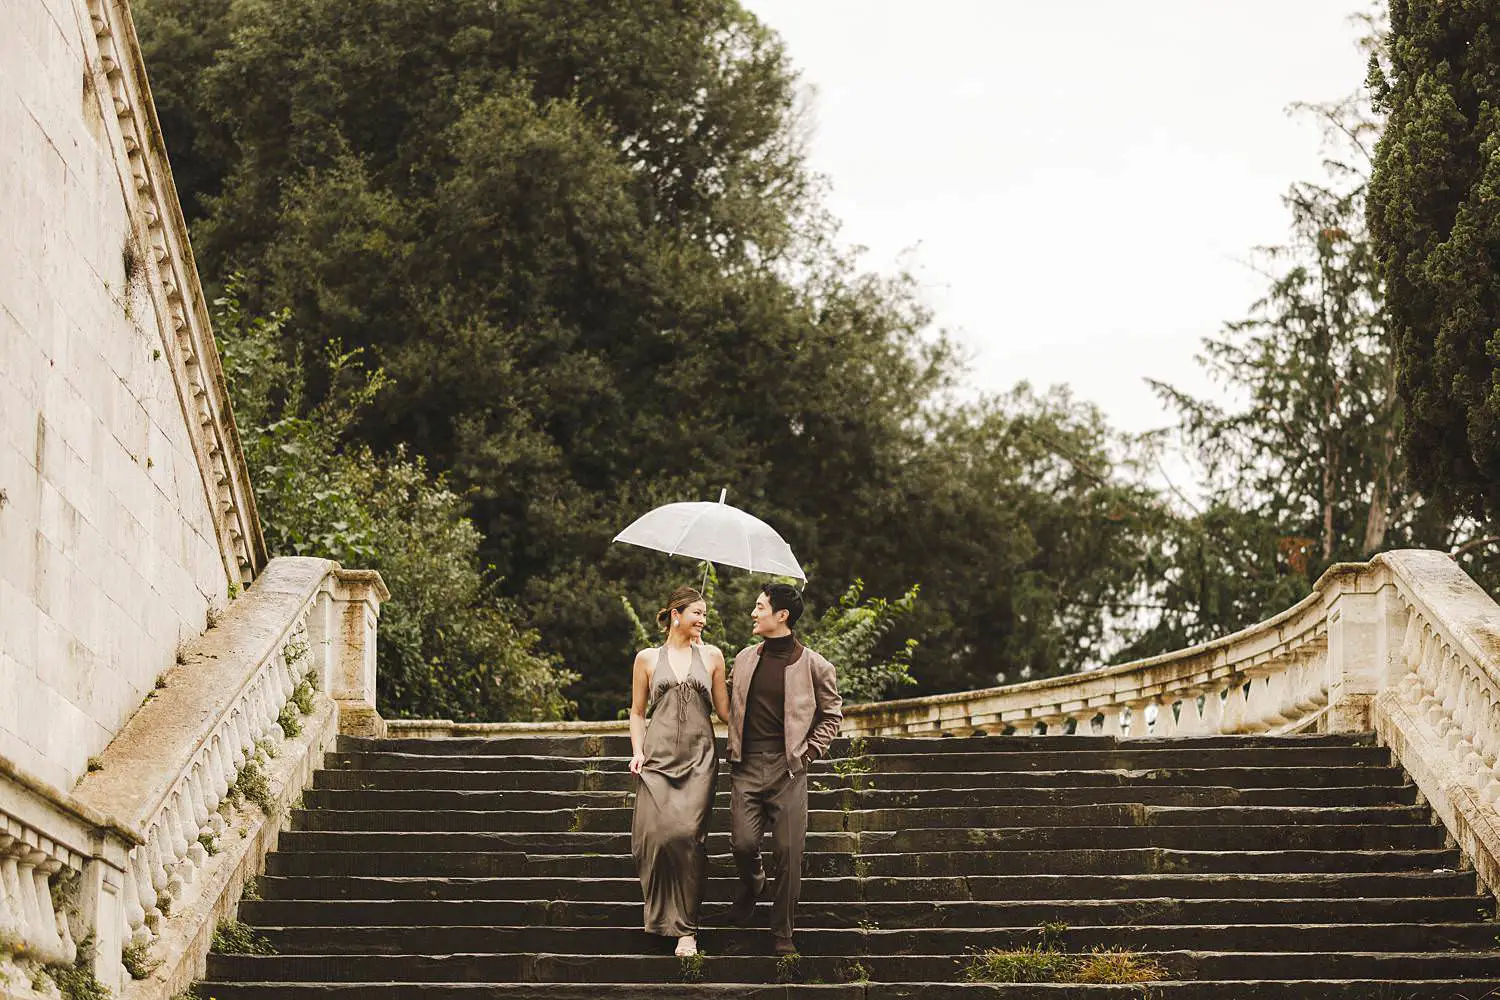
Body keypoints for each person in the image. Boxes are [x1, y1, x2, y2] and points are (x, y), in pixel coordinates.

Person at [725, 582, 843, 955]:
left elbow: (832, 714)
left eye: (759, 607)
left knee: (790, 852)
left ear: (782, 615)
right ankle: (754, 882)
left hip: (789, 770)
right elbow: (724, 697)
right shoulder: (744, 658)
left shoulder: (815, 664)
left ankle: (782, 933)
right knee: (743, 844)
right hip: (745, 766)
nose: (753, 613)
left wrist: (809, 753)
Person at [628, 585, 731, 958]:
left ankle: (687, 930)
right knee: (656, 837)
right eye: (697, 614)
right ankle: (659, 918)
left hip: (700, 759)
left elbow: (725, 711)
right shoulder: (647, 659)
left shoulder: (714, 656)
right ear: (676, 615)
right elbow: (638, 713)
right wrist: (638, 752)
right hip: (656, 758)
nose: (703, 620)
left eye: (705, 614)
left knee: (689, 837)